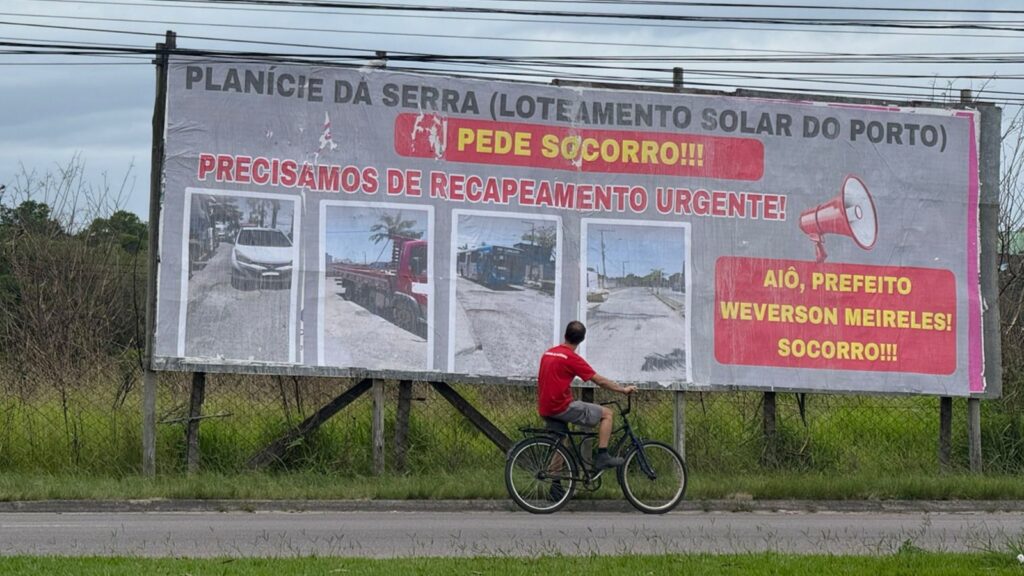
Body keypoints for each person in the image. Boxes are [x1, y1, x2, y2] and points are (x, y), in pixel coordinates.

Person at [537, 320, 636, 471]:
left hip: (545, 407)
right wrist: (623, 390)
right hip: (561, 407)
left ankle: (555, 487)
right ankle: (603, 455)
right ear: (582, 340)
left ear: (565, 335)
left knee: (561, 443)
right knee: (607, 414)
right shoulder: (572, 358)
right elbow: (600, 381)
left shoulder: (548, 353)